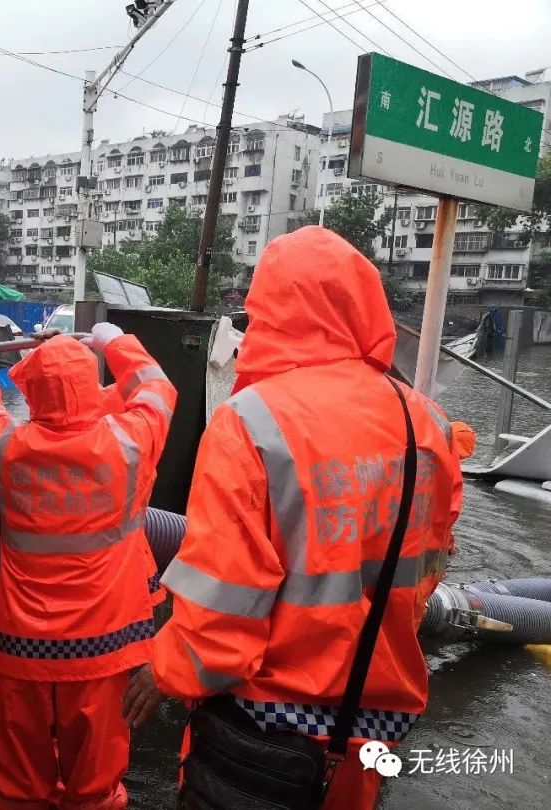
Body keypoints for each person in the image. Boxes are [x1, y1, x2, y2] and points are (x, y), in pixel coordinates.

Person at [122, 226, 463, 809]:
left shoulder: (250, 421)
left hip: (264, 736)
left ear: (271, 310)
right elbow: (425, 569)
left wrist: (166, 668)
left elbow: (222, 613)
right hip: (369, 731)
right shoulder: (424, 420)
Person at [0, 324, 177, 810]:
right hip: (105, 646)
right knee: (94, 785)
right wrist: (112, 339)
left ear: (32, 392)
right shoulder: (129, 445)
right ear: (89, 384)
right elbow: (157, 388)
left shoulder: (6, 450)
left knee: (17, 786)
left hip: (22, 648)